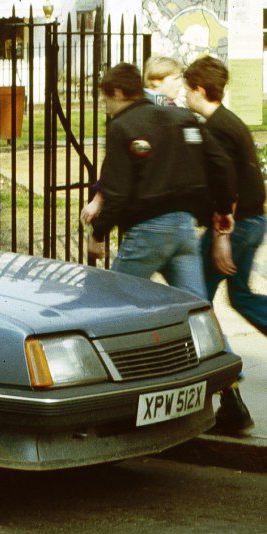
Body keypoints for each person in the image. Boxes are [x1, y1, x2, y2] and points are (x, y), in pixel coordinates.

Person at [87, 63, 235, 299]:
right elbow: (221, 164)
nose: (107, 108)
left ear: (117, 93)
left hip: (148, 229)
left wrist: (98, 234)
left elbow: (118, 191)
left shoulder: (121, 126)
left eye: (106, 101)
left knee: (110, 299)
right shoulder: (183, 117)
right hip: (184, 227)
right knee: (195, 306)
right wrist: (224, 208)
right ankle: (212, 338)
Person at [183, 55, 266, 434]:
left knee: (194, 303)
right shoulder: (230, 121)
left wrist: (221, 238)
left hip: (238, 226)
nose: (184, 95)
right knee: (241, 298)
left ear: (199, 90)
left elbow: (227, 186)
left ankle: (228, 393)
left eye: (187, 88)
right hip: (253, 221)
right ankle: (229, 396)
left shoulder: (215, 128)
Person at [82, 56, 185, 224]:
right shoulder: (141, 112)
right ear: (156, 81)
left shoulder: (174, 111)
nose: (180, 84)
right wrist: (98, 200)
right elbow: (115, 163)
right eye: (175, 78)